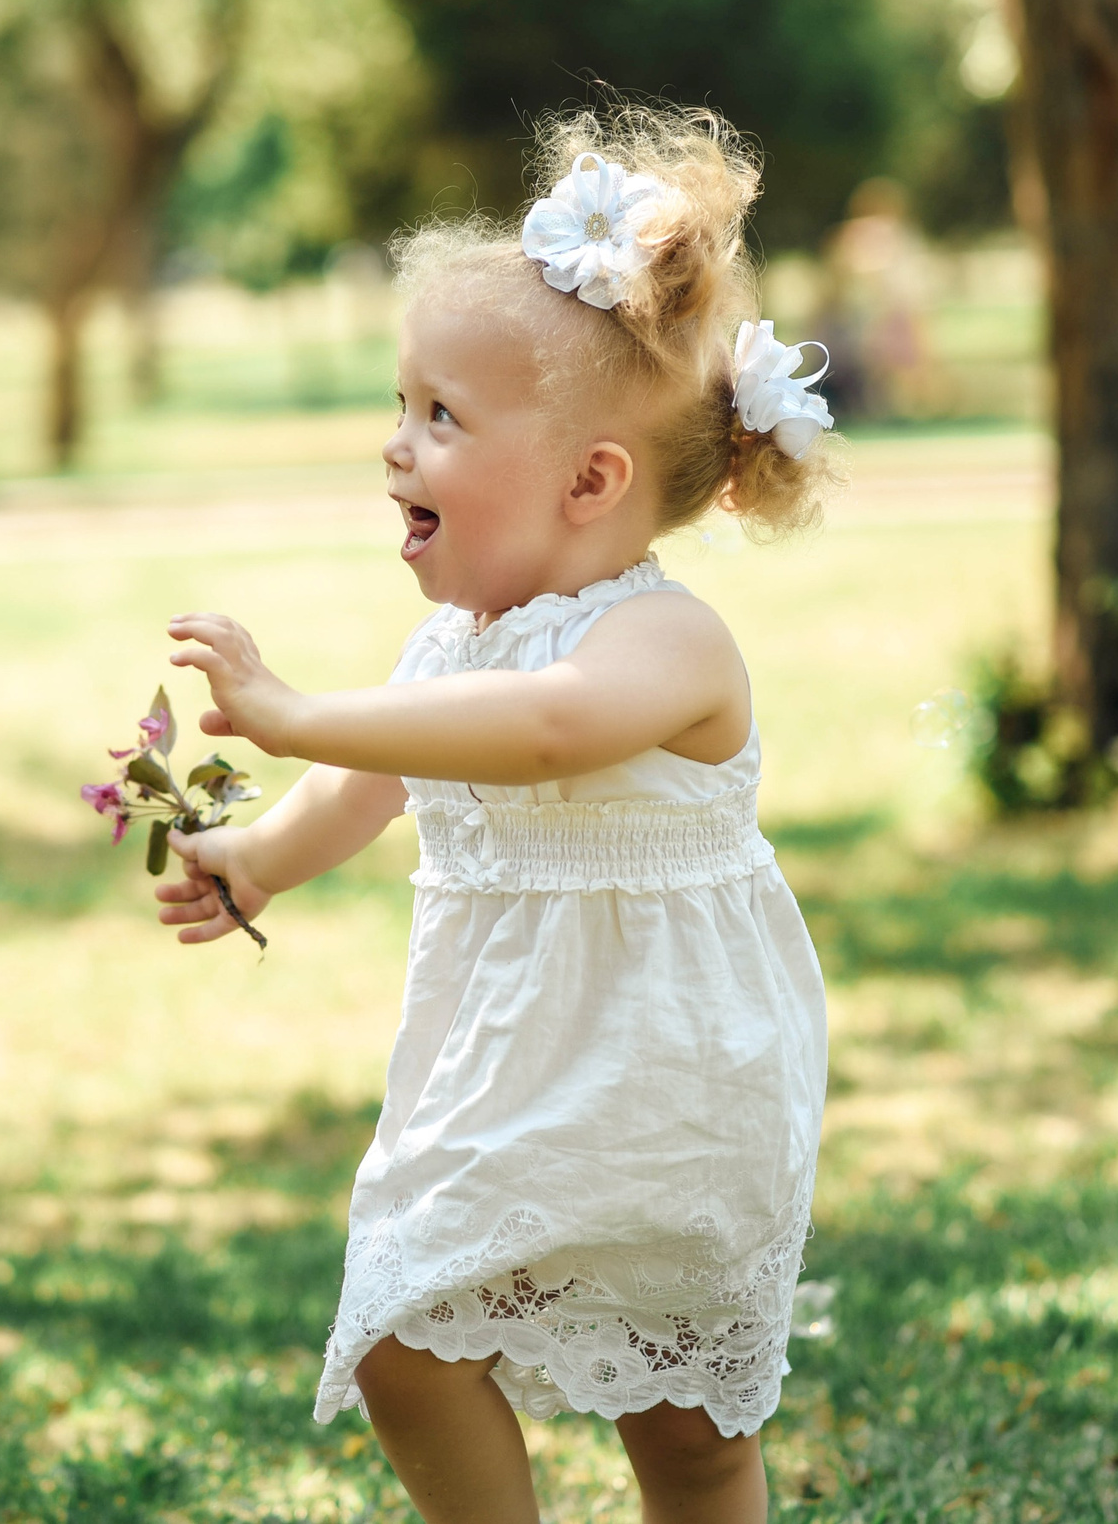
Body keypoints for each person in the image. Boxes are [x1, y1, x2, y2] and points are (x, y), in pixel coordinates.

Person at [152, 105, 832, 1524]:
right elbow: (382, 776)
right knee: (405, 1339)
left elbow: (542, 732)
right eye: (401, 405)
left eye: (441, 418)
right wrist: (260, 858)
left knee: (686, 1434)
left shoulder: (666, 642)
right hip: (502, 1071)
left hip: (672, 1083)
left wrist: (290, 709)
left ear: (592, 480)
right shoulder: (451, 652)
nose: (396, 447)